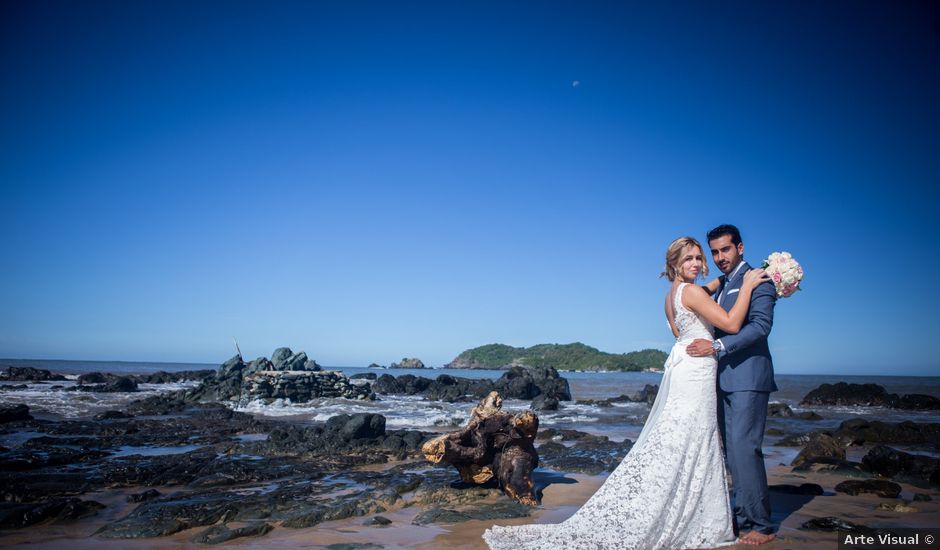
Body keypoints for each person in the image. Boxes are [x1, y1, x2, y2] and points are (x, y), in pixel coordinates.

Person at [483, 237, 768, 550]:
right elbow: (731, 321)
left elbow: (678, 330)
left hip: (684, 367)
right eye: (690, 259)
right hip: (698, 370)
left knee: (681, 438)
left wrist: (718, 282)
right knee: (694, 439)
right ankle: (692, 512)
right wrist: (750, 284)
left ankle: (681, 504)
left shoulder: (671, 295)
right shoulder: (694, 292)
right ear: (675, 264)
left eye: (700, 258)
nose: (698, 264)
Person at [686, 224, 778, 545]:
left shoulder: (758, 280)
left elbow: (760, 327)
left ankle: (761, 526)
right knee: (730, 454)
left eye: (726, 249)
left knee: (744, 451)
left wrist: (718, 347)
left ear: (740, 248)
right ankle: (742, 517)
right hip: (721, 381)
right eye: (715, 252)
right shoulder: (724, 283)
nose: (720, 257)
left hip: (749, 377)